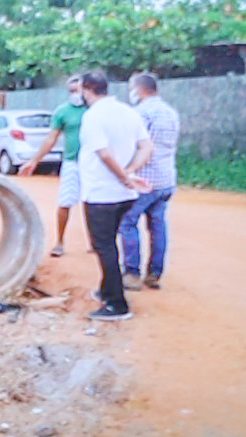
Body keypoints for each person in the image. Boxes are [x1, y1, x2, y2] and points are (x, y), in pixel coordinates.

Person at [72, 67, 152, 319]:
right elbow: (146, 146)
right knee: (109, 244)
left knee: (104, 247)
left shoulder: (93, 116)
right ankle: (107, 290)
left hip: (101, 193)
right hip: (124, 195)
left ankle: (117, 304)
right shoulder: (128, 112)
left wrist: (121, 176)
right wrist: (129, 173)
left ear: (86, 90)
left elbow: (104, 153)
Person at [125, 69, 181, 287]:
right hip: (166, 178)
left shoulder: (140, 113)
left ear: (139, 89)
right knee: (158, 226)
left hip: (144, 179)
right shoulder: (171, 112)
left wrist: (128, 170)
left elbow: (139, 146)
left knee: (127, 223)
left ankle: (132, 272)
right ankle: (155, 273)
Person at [45, 82, 91, 259]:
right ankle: (60, 242)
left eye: (78, 89)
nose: (75, 93)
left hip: (92, 162)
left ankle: (94, 242)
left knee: (92, 203)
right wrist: (35, 159)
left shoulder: (93, 110)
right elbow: (52, 137)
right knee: (65, 202)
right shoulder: (62, 111)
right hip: (71, 161)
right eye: (72, 90)